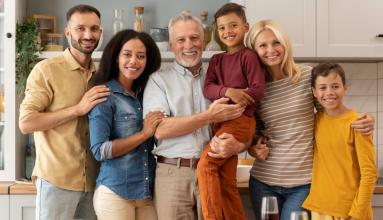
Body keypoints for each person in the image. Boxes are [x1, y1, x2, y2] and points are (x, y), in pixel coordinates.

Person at [208, 19, 375, 220]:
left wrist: (362, 119)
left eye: (276, 42)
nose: (271, 50)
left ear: (285, 43)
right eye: (263, 45)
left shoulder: (306, 76)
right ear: (254, 50)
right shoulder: (253, 88)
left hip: (303, 184)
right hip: (263, 181)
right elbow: (251, 127)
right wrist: (252, 145)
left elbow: (331, 112)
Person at [142, 11, 245, 220]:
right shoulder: (158, 81)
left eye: (194, 38)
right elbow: (160, 129)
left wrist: (241, 145)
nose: (188, 45)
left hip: (216, 171)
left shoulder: (220, 80)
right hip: (172, 175)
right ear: (171, 45)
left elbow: (244, 123)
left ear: (204, 41)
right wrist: (208, 116)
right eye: (181, 40)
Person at [19, 4, 110, 220]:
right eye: (80, 29)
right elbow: (26, 122)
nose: (88, 35)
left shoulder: (102, 75)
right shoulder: (46, 70)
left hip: (94, 183)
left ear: (100, 32)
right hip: (56, 183)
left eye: (94, 29)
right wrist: (77, 109)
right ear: (67, 32)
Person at [196, 3, 265, 220]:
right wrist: (230, 91)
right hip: (221, 122)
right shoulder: (217, 60)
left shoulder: (249, 56)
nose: (228, 31)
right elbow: (209, 88)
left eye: (233, 25)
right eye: (222, 27)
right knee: (226, 182)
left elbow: (257, 90)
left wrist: (235, 96)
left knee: (206, 167)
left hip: (240, 120)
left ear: (245, 27)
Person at [88, 29, 164, 220]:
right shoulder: (105, 96)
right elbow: (100, 150)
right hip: (115, 192)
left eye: (141, 56)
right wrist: (144, 134)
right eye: (127, 55)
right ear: (116, 57)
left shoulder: (148, 94)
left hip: (146, 192)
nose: (134, 62)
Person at [302, 63, 377, 219]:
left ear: (345, 88)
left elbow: (369, 173)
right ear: (314, 92)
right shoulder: (314, 121)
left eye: (335, 86)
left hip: (350, 211)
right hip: (319, 209)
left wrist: (358, 212)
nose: (329, 92)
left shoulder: (358, 123)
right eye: (322, 88)